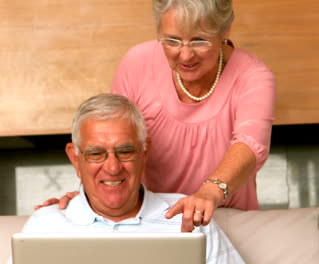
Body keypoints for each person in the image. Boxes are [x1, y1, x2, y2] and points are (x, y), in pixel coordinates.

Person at [37, 0, 276, 232]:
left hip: (223, 216)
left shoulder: (253, 76)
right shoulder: (137, 63)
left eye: (199, 41)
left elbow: (249, 144)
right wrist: (90, 200)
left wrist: (210, 192)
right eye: (172, 41)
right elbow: (114, 141)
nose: (185, 56)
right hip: (152, 220)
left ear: (225, 30)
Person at [13, 94, 244, 264]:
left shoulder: (189, 218)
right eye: (96, 154)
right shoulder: (44, 225)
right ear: (75, 159)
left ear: (145, 152)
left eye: (125, 152)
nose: (113, 168)